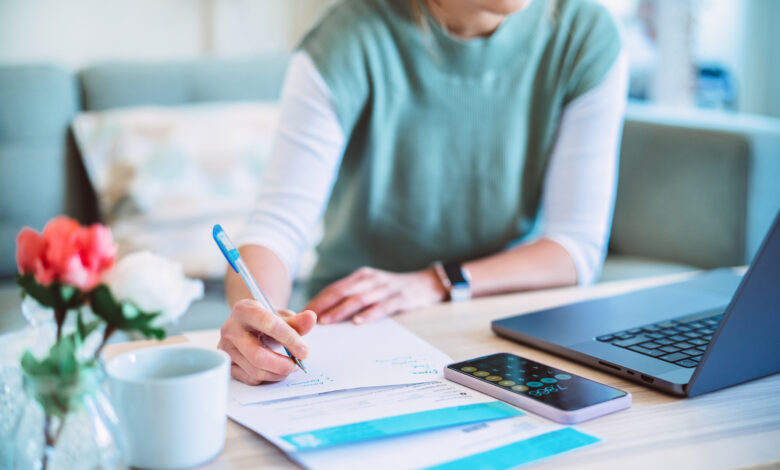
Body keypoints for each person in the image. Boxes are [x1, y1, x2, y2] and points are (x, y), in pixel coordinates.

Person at [219, 0, 628, 385]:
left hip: (507, 317)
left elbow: (576, 247)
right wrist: (259, 319)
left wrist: (435, 282)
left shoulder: (584, 33)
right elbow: (278, 224)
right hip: (357, 324)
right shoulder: (346, 37)